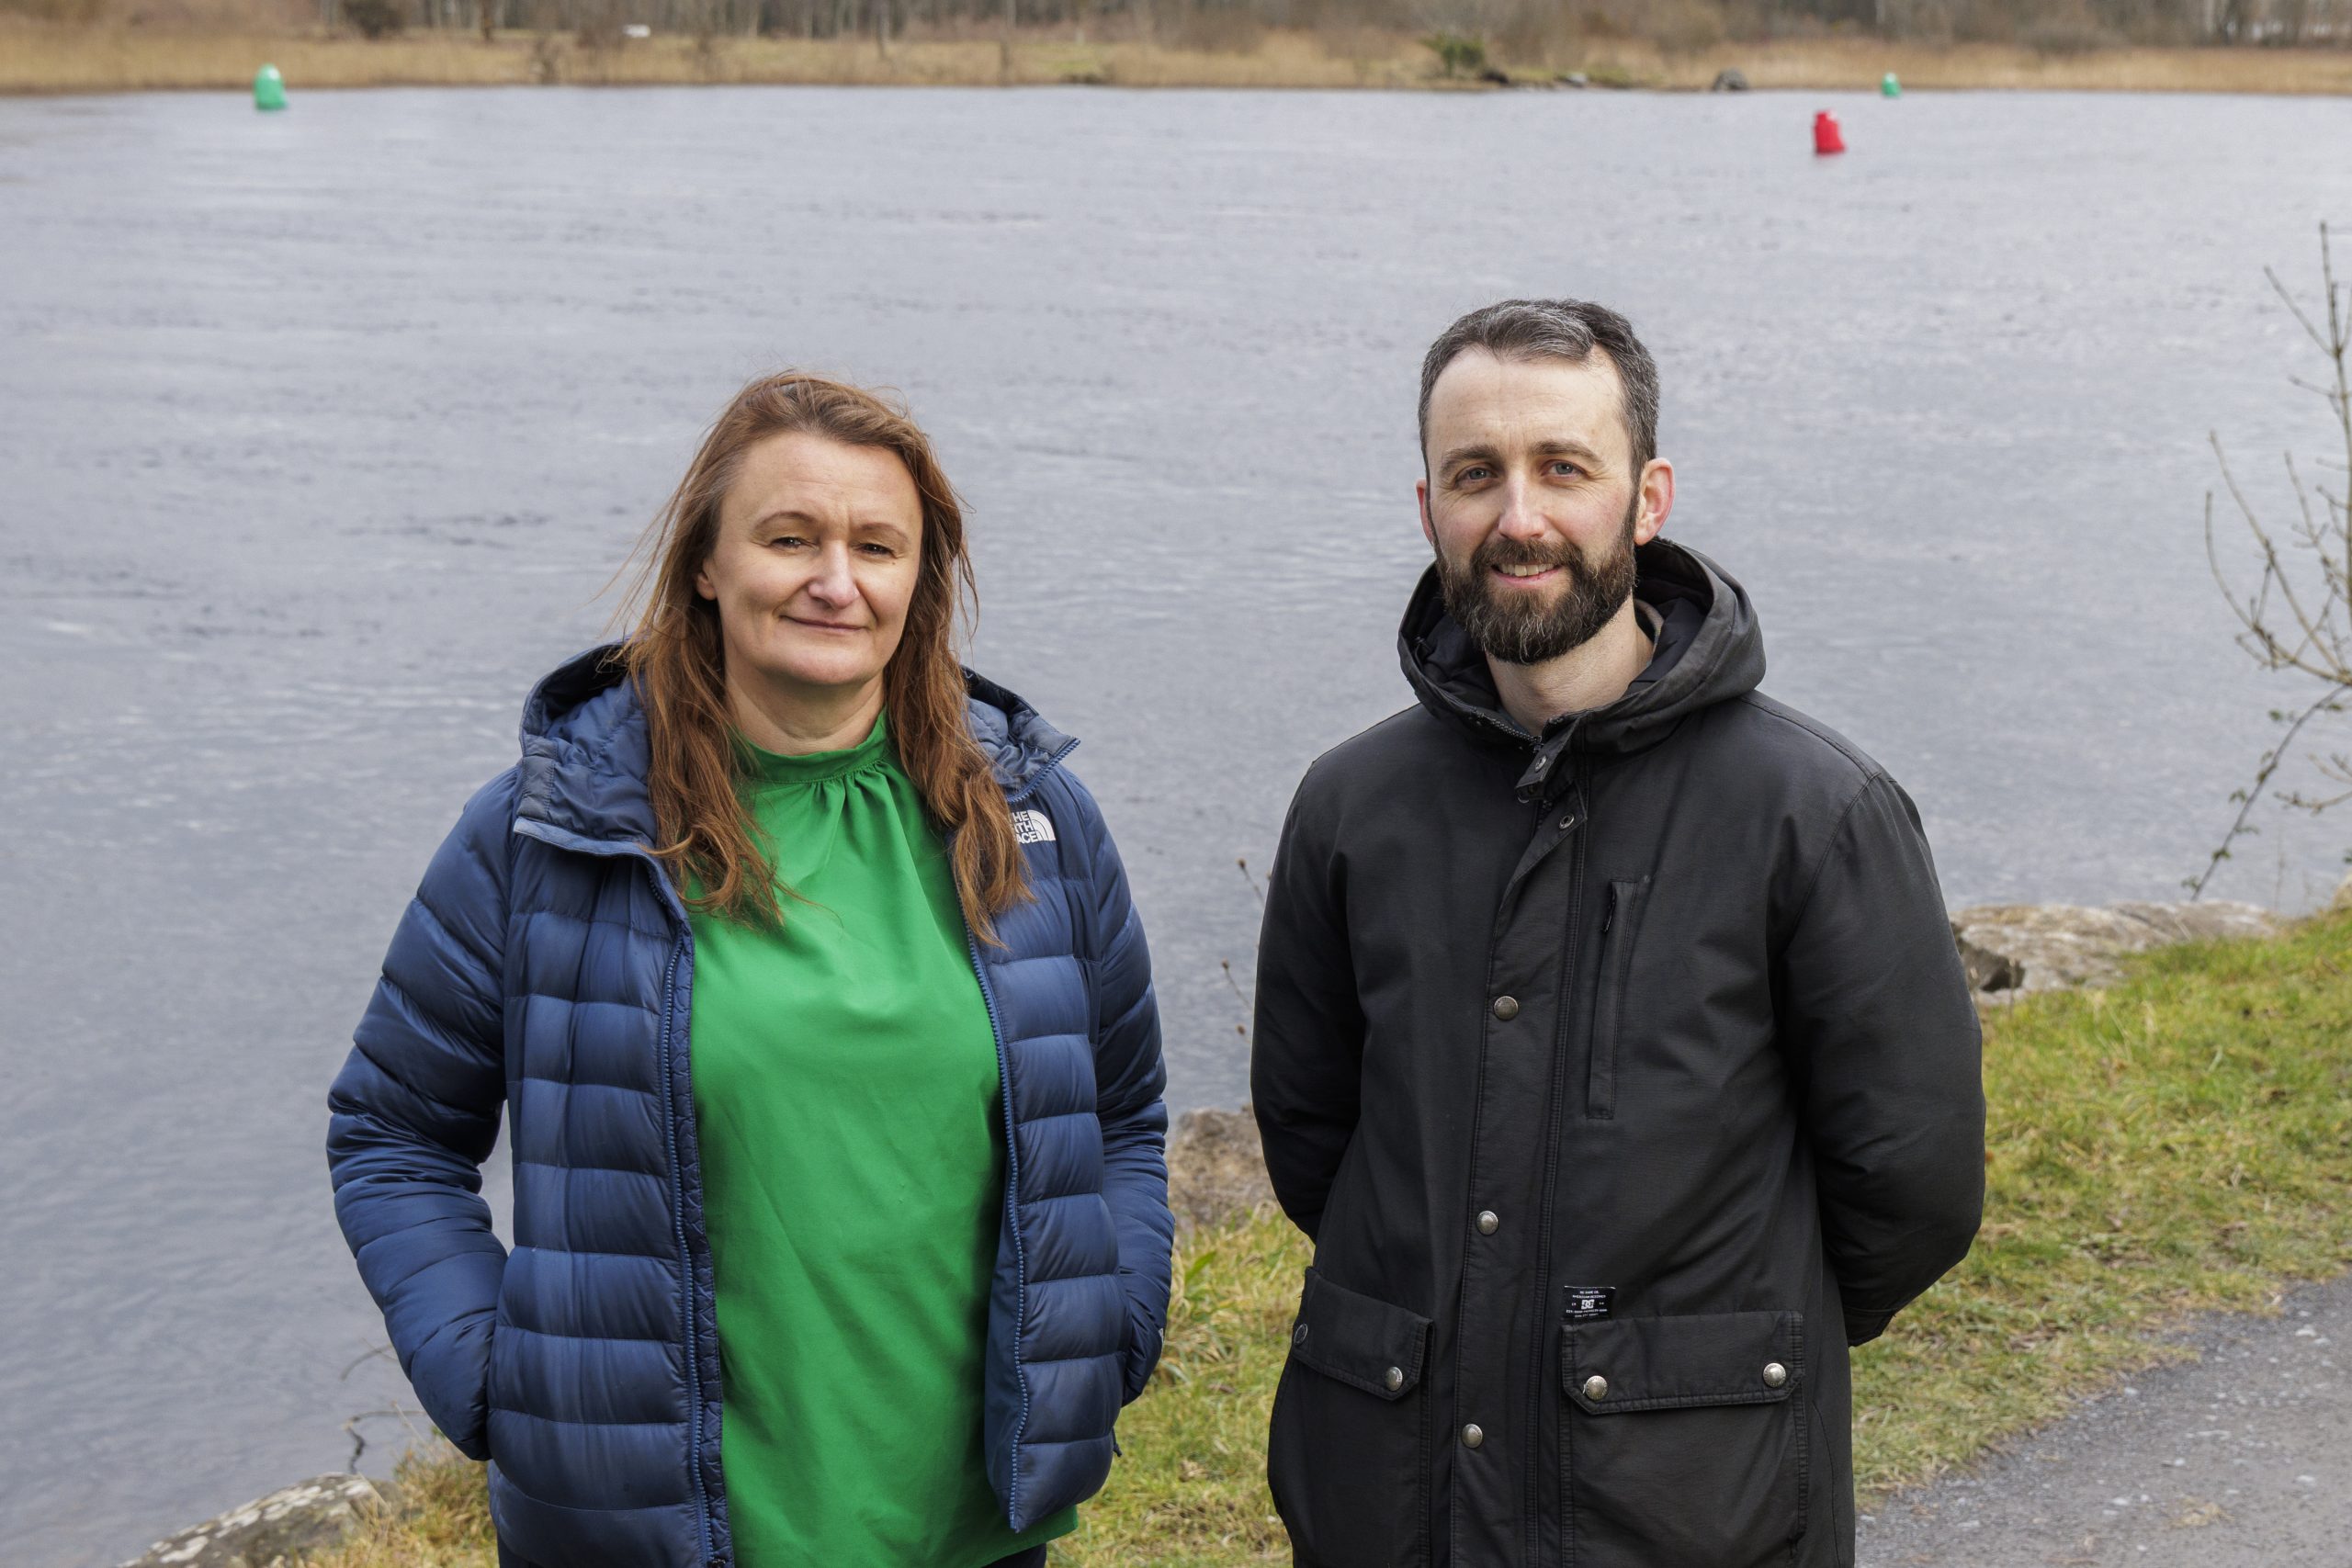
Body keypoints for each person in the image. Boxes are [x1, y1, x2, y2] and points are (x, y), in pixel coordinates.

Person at [327, 373, 1172, 1568]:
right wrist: (498, 1383)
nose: (836, 580)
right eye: (789, 538)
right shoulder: (551, 836)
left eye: (876, 546)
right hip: (650, 1540)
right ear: (707, 567)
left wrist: (1114, 1327)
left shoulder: (1035, 822)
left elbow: (1123, 1117)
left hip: (972, 1538)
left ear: (920, 578)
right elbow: (393, 1135)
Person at [1250, 299, 1984, 1568]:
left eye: (1563, 469)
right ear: (1427, 507)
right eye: (1475, 474)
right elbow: (1315, 1137)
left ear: (1646, 500)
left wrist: (1706, 1358)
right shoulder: (1350, 807)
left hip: (1696, 1512)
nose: (1519, 517)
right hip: (1396, 1501)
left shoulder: (1815, 813)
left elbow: (1912, 1185)